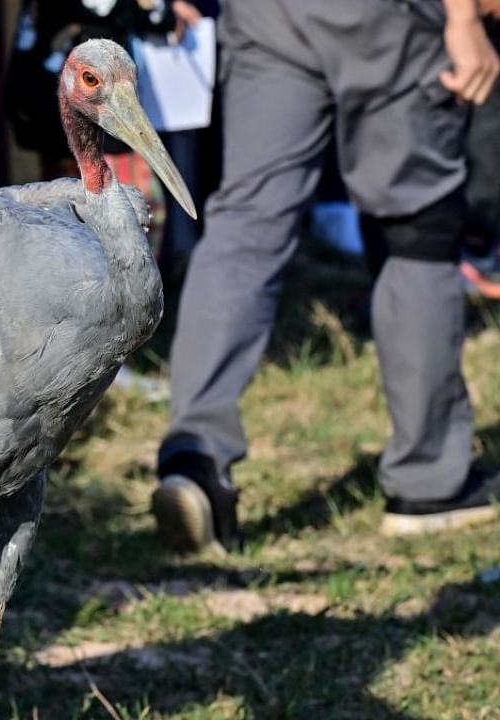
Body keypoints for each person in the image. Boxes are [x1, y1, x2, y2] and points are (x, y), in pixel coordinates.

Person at [150, 0, 500, 553]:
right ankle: (429, 483)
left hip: (268, 16)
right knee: (418, 227)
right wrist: (463, 16)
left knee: (246, 221)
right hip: (390, 17)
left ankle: (196, 460)